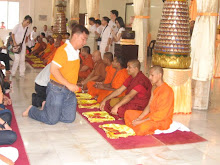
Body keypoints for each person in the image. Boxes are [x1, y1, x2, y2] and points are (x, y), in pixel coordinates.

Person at [22, 24, 89, 125]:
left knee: (69, 118)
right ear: (75, 36)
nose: (85, 42)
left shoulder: (76, 51)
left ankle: (49, 110)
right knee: (51, 120)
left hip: (69, 91)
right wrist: (69, 84)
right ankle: (32, 110)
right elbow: (53, 70)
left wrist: (75, 83)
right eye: (83, 39)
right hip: (57, 89)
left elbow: (70, 71)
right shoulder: (64, 50)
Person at [124, 66, 174, 135]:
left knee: (142, 128)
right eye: (149, 75)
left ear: (159, 75)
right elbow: (149, 104)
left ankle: (138, 127)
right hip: (150, 116)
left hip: (161, 120)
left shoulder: (167, 91)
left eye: (152, 75)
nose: (149, 77)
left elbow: (161, 115)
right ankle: (137, 125)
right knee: (128, 113)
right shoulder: (154, 87)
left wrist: (141, 122)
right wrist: (139, 118)